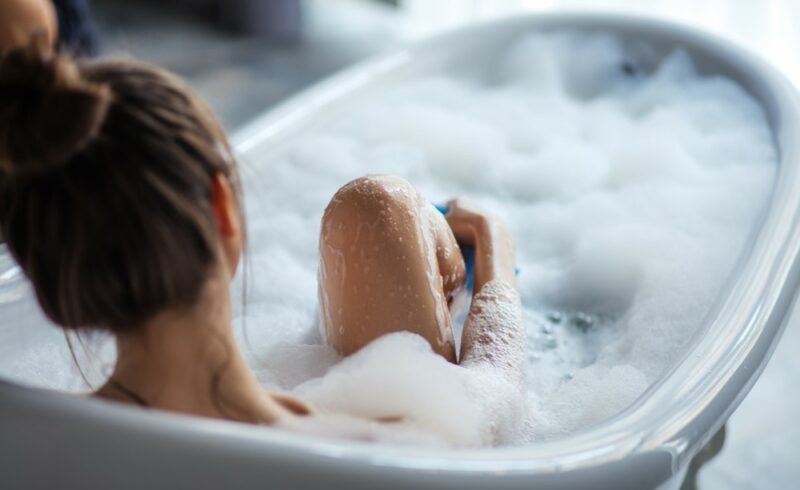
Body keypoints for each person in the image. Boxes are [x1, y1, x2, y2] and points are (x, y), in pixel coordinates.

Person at [0, 40, 524, 443]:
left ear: (48, 286)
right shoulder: (371, 445)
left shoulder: (27, 442)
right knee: (379, 206)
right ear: (222, 209)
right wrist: (491, 241)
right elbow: (489, 410)